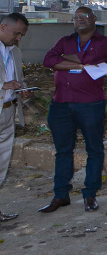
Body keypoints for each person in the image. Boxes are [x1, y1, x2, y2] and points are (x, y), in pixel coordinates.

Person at [39, 7, 107, 214]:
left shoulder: (105, 42)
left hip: (90, 105)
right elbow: (48, 60)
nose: (80, 20)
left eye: (84, 16)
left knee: (94, 150)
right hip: (60, 104)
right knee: (63, 151)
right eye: (76, 17)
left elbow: (94, 59)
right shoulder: (64, 40)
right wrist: (81, 61)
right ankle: (61, 195)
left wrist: (65, 59)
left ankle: (90, 195)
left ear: (94, 19)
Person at [0, 13, 31, 221]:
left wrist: (24, 90)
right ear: (3, 27)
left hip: (8, 112)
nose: (18, 38)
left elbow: (18, 79)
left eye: (22, 35)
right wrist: (3, 85)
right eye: (16, 33)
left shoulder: (16, 52)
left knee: (2, 163)